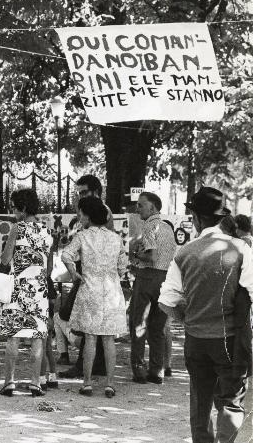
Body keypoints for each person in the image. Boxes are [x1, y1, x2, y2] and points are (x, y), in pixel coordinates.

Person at [159, 187, 253, 443]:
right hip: (230, 339)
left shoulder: (184, 253)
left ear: (196, 218)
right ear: (221, 217)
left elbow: (166, 301)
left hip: (196, 340)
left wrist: (187, 320)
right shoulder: (240, 249)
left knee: (200, 404)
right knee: (231, 402)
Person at [61, 196, 128, 398]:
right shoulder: (116, 238)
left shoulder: (82, 236)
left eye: (80, 213)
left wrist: (74, 273)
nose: (79, 216)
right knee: (109, 339)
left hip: (89, 289)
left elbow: (66, 255)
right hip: (111, 292)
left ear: (87, 215)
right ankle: (110, 383)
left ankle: (87, 382)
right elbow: (122, 266)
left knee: (90, 338)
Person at [0, 188, 53, 397]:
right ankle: (34, 382)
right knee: (38, 335)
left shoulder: (17, 228)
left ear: (22, 207)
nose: (13, 212)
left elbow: (5, 259)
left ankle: (9, 382)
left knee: (14, 335)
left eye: (14, 207)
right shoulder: (46, 232)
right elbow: (48, 267)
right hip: (39, 289)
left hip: (17, 287)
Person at [59, 174, 110, 379]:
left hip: (93, 273)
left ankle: (86, 364)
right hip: (84, 270)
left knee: (74, 315)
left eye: (85, 192)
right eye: (78, 193)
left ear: (96, 192)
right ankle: (94, 363)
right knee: (79, 316)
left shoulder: (102, 212)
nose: (80, 196)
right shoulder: (86, 212)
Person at [129, 192, 176, 384]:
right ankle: (157, 370)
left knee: (138, 323)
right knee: (157, 327)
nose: (137, 208)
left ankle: (139, 369)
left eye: (141, 205)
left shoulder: (149, 226)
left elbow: (152, 257)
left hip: (148, 277)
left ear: (153, 208)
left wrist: (135, 255)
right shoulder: (167, 228)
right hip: (166, 279)